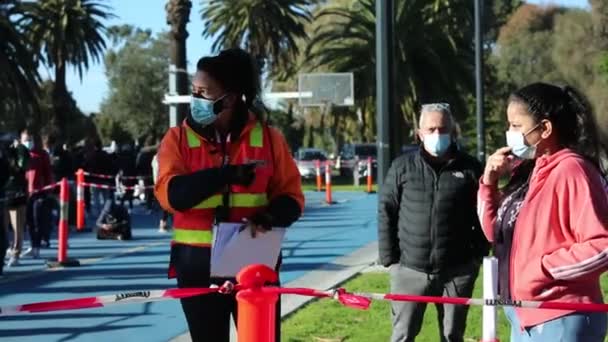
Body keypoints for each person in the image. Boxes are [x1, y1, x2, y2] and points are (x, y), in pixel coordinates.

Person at [154, 48, 304, 342]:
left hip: (255, 262)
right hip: (196, 267)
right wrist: (224, 175)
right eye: (194, 91)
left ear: (231, 99)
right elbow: (173, 196)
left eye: (204, 92)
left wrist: (272, 216)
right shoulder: (177, 139)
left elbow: (292, 197)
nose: (196, 99)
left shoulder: (269, 138)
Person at [478, 83, 608, 341]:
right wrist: (489, 183)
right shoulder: (527, 171)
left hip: (562, 315)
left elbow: (602, 245)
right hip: (521, 315)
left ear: (545, 128)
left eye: (516, 126)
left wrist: (544, 269)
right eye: (508, 125)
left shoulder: (572, 170)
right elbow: (495, 233)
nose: (509, 133)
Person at [378, 103, 489, 342]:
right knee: (402, 334)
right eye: (431, 129)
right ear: (419, 133)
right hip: (409, 269)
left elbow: (483, 214)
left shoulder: (470, 168)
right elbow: (387, 211)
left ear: (453, 131)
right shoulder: (402, 167)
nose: (437, 135)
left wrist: (476, 256)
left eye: (442, 129)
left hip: (457, 271)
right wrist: (390, 260)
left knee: (452, 335)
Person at [23, 131, 53, 258]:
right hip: (25, 193)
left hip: (39, 192)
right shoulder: (23, 154)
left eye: (29, 139)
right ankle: (32, 245)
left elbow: (48, 173)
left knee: (37, 220)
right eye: (25, 140)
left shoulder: (42, 155)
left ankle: (37, 246)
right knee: (29, 220)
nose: (28, 142)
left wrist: (47, 189)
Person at [3, 129, 30, 266]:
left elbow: (22, 166)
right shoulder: (3, 150)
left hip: (16, 192)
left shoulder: (21, 150)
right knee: (3, 226)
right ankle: (6, 248)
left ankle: (16, 253)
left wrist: (18, 148)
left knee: (17, 226)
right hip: (4, 192)